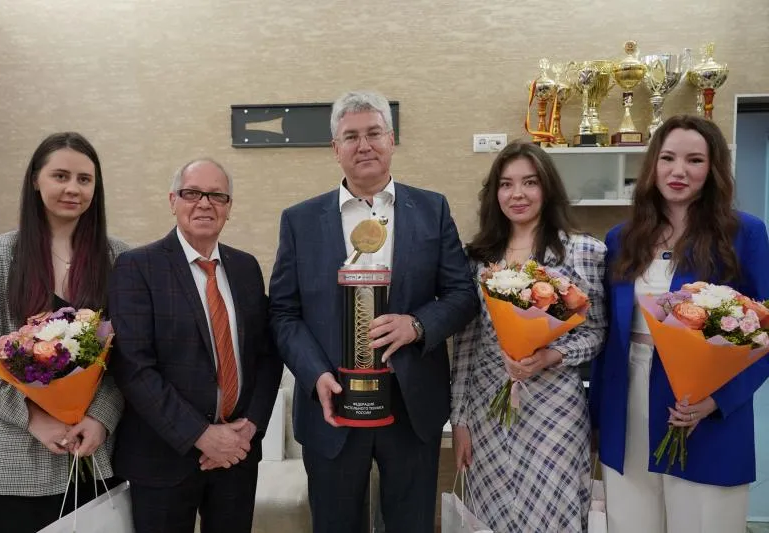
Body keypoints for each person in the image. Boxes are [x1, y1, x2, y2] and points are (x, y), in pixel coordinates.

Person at [269, 90, 478, 533]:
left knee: (411, 524)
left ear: (391, 140)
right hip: (333, 404)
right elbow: (283, 313)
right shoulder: (299, 221)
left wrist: (417, 325)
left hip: (411, 405)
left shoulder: (433, 209)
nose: (363, 145)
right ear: (335, 148)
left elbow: (462, 295)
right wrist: (315, 375)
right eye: (351, 136)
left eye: (373, 133)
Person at [590, 115, 769, 533]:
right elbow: (608, 335)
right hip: (626, 400)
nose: (679, 171)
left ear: (713, 168)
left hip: (702, 406)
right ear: (653, 164)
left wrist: (719, 400)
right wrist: (596, 417)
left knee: (702, 521)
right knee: (630, 522)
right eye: (668, 158)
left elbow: (765, 331)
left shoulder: (743, 233)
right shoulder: (622, 238)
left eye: (695, 160)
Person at [108, 158, 282, 533]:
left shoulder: (246, 268)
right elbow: (134, 367)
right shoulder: (137, 267)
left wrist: (249, 427)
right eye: (192, 193)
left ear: (229, 207)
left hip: (236, 455)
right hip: (163, 458)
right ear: (173, 201)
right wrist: (201, 435)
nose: (205, 203)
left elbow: (266, 356)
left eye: (217, 196)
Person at [0, 132, 127, 533]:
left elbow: (131, 357)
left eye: (84, 179)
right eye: (60, 176)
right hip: (10, 460)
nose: (73, 188)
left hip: (95, 455)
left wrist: (101, 417)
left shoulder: (121, 260)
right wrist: (35, 418)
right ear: (35, 181)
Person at [450, 140, 607, 532]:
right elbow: (466, 346)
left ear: (547, 188)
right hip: (488, 409)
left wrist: (551, 356)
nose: (517, 194)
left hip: (555, 409)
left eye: (530, 182)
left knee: (554, 514)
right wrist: (460, 420)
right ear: (495, 193)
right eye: (506, 184)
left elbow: (596, 333)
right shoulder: (478, 259)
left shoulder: (582, 251)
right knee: (492, 517)